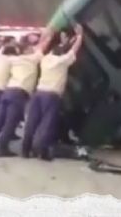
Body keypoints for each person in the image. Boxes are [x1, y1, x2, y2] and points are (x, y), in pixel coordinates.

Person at [22, 25, 84, 160]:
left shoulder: (45, 59)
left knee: (32, 122)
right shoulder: (61, 61)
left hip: (38, 93)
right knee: (47, 123)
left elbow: (41, 48)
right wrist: (79, 36)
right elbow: (73, 51)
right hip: (51, 95)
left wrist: (48, 37)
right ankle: (41, 151)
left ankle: (25, 150)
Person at [0, 30, 53, 157]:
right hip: (19, 94)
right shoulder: (33, 59)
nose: (33, 50)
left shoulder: (15, 59)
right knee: (10, 122)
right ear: (27, 50)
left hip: (7, 91)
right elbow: (41, 47)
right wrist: (48, 37)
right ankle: (3, 148)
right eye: (30, 49)